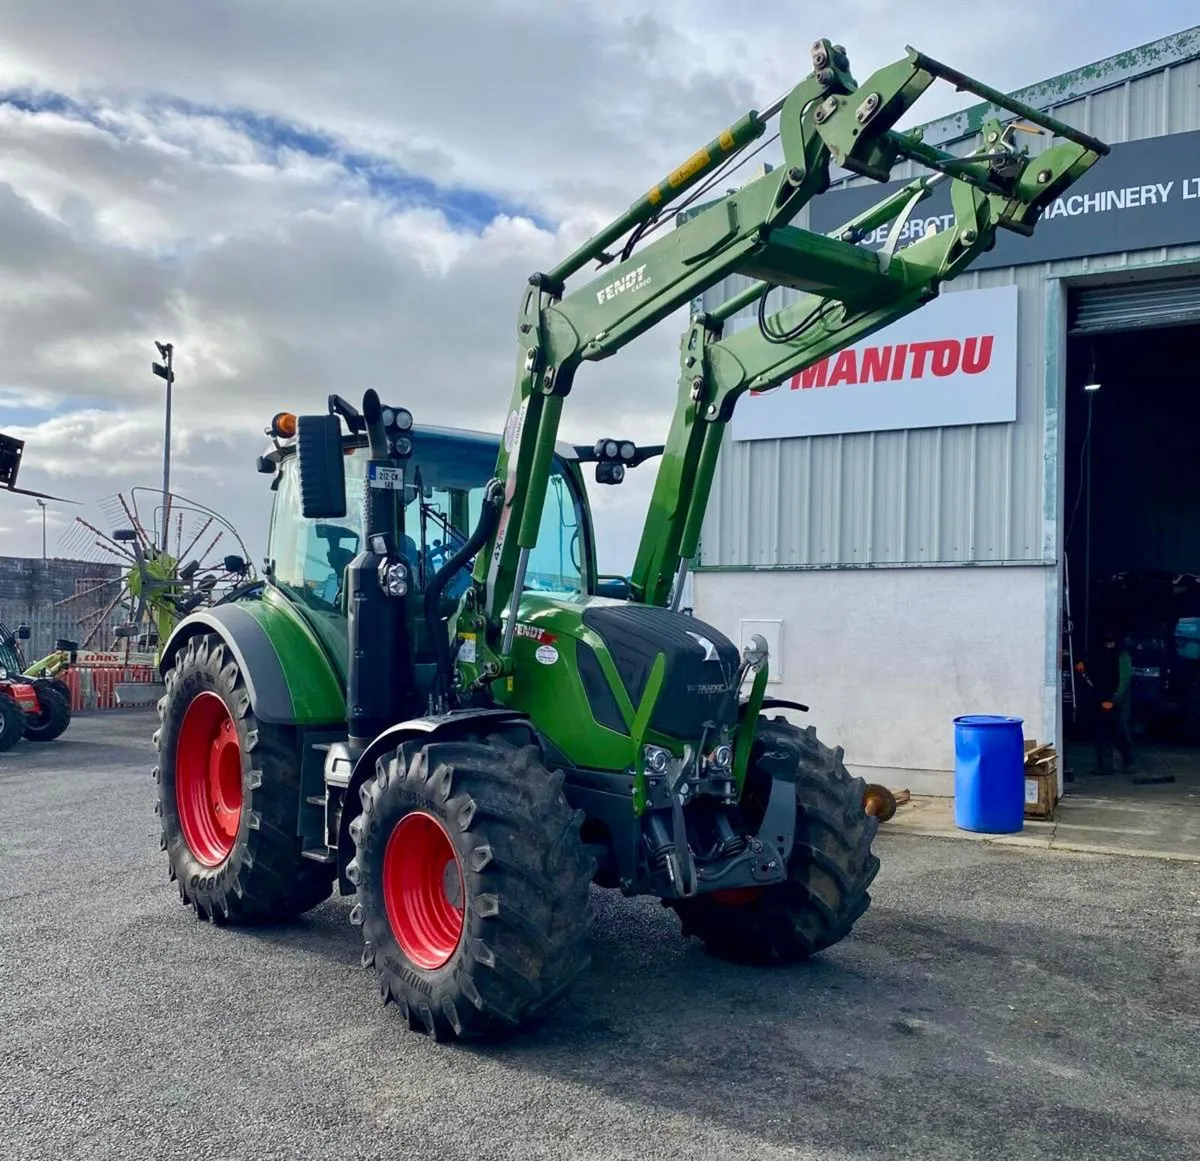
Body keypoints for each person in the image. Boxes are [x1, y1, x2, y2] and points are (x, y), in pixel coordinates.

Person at [1081, 628, 1137, 776]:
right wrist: (1083, 664)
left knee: (1120, 732)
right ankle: (1105, 766)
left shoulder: (1122, 655)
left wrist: (1113, 700)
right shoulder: (1098, 652)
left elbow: (1125, 680)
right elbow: (1093, 668)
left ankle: (1130, 761)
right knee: (1101, 733)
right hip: (1100, 698)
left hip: (1118, 701)